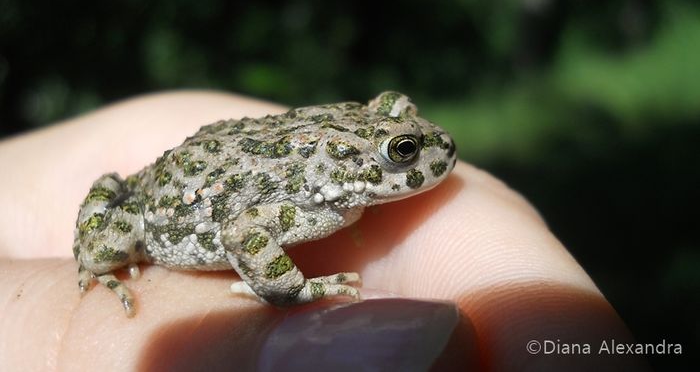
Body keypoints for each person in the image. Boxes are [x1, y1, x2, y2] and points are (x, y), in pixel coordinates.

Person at [0, 91, 648, 370]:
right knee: (109, 242)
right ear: (351, 163)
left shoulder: (332, 196)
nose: (432, 148)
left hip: (213, 174)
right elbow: (247, 231)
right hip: (153, 211)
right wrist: (290, 290)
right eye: (401, 149)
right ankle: (95, 261)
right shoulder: (307, 204)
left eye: (404, 127)